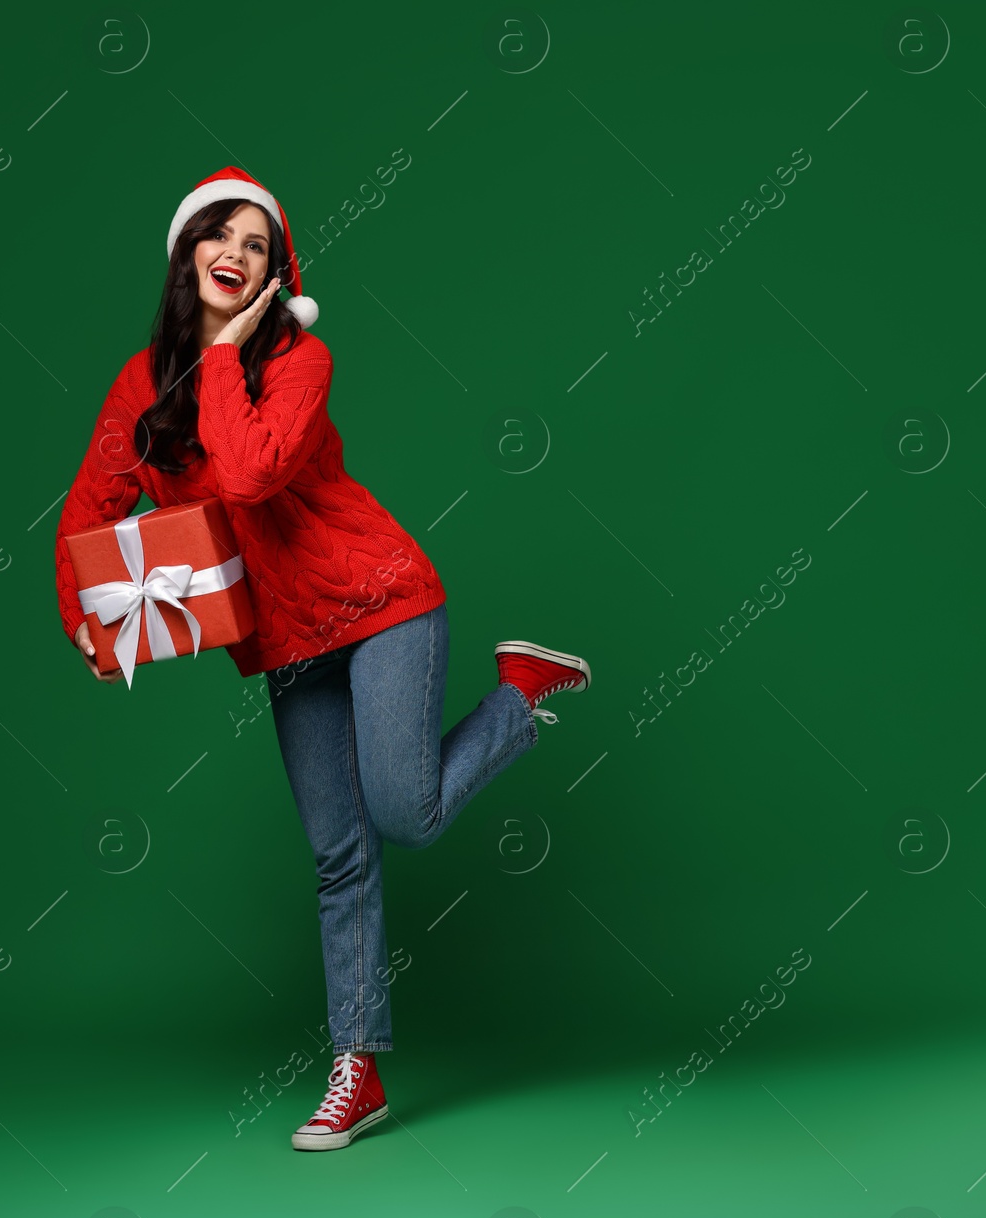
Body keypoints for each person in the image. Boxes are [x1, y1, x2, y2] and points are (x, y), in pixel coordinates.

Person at [53, 166, 591, 1152]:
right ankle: (360, 1069)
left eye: (257, 244)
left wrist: (222, 357)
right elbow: (92, 508)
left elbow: (253, 472)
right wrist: (92, 622)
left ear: (273, 276)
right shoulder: (139, 384)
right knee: (337, 854)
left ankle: (516, 697)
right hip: (288, 639)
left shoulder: (300, 361)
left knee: (407, 813)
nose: (234, 251)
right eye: (218, 233)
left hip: (379, 600)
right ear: (186, 253)